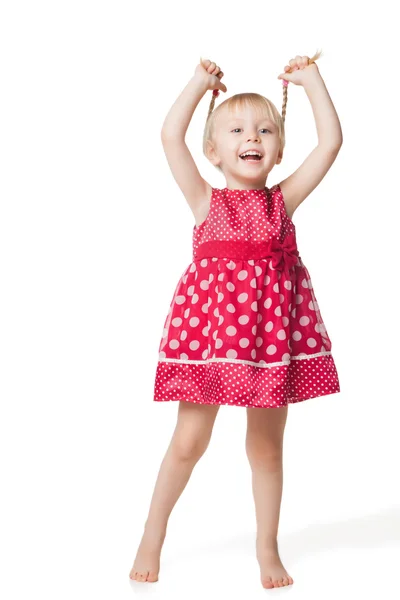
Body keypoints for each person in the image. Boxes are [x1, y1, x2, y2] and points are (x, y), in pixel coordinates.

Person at [129, 53, 342, 588]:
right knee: (188, 441)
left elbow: (331, 144)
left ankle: (266, 547)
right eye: (238, 129)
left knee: (267, 446)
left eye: (265, 129)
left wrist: (312, 82)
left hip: (271, 343)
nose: (253, 136)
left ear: (276, 150)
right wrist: (200, 85)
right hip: (210, 341)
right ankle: (152, 534)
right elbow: (168, 136)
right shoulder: (205, 199)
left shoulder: (281, 202)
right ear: (214, 150)